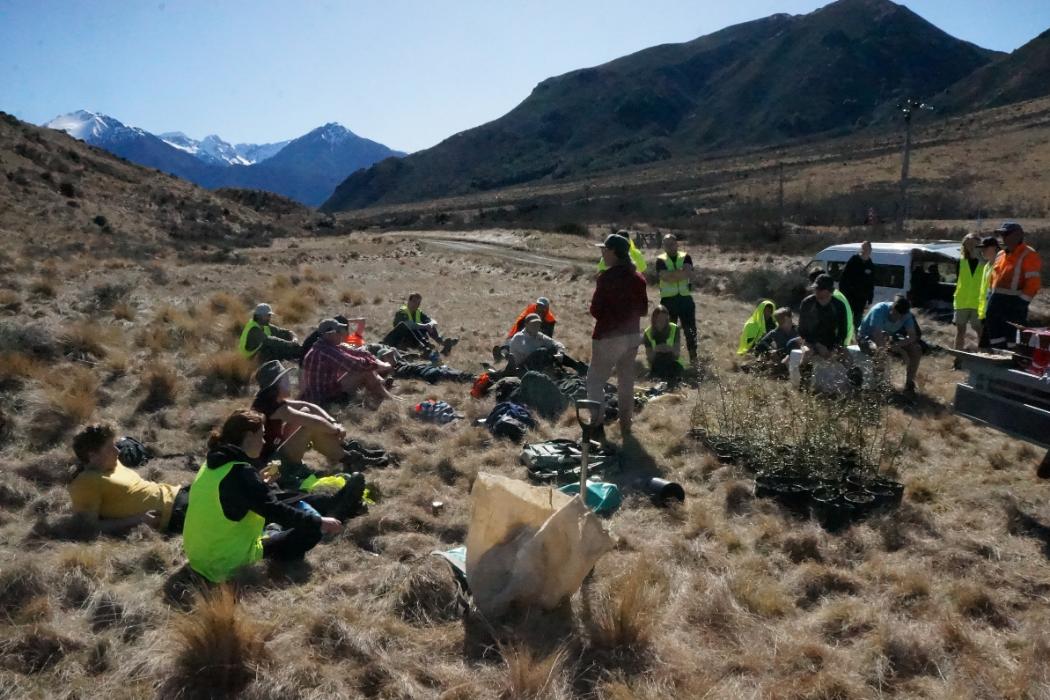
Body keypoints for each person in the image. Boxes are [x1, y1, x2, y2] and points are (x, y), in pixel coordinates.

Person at [182, 410, 343, 583]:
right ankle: (327, 508)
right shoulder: (241, 473)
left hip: (198, 557)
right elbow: (275, 510)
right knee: (310, 530)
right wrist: (319, 522)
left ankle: (329, 502)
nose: (264, 442)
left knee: (275, 499)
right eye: (262, 436)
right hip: (225, 563)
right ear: (249, 436)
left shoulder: (212, 463)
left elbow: (239, 496)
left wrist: (259, 481)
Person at [251, 360, 387, 473]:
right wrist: (336, 431)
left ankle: (348, 452)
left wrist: (332, 422)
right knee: (311, 426)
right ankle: (351, 458)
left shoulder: (271, 399)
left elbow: (309, 406)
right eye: (285, 380)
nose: (290, 382)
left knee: (308, 413)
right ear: (275, 386)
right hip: (271, 465)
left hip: (275, 449)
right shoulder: (271, 407)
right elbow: (311, 421)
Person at [68, 424, 188, 535]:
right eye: (110, 448)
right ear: (92, 455)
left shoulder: (112, 463)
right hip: (172, 514)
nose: (118, 451)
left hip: (178, 493)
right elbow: (89, 528)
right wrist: (138, 520)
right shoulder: (86, 482)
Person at [588, 233, 648, 439]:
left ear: (613, 252)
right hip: (631, 336)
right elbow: (643, 310)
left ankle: (596, 427)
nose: (602, 253)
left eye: (604, 249)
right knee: (626, 382)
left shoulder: (606, 278)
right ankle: (626, 426)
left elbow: (595, 310)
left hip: (607, 337)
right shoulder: (639, 278)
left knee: (595, 381)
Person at [300, 318, 396, 407]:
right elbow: (355, 364)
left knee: (365, 369)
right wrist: (380, 365)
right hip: (324, 399)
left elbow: (357, 352)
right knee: (365, 371)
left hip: (321, 393)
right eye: (338, 331)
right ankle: (390, 400)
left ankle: (383, 396)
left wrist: (371, 359)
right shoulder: (327, 352)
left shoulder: (323, 346)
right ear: (329, 334)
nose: (342, 334)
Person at [986, 221, 1042, 349]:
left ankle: (1013, 360)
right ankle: (998, 356)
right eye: (1001, 235)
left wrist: (1021, 303)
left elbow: (1033, 283)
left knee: (1013, 337)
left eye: (1006, 234)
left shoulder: (1029, 254)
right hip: (995, 301)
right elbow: (993, 279)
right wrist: (989, 298)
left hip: (1014, 303)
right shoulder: (1000, 254)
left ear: (1017, 236)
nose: (1003, 238)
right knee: (995, 334)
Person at [858, 296, 921, 395]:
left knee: (916, 349)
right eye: (895, 314)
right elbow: (877, 335)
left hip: (887, 337)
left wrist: (898, 345)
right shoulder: (879, 310)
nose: (897, 319)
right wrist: (900, 351)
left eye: (901, 317)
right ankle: (878, 386)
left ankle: (909, 384)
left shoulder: (907, 315)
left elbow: (912, 336)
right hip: (867, 337)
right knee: (879, 352)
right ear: (892, 308)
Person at [655, 234, 699, 365]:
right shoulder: (660, 260)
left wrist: (673, 274)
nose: (669, 246)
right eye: (666, 244)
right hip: (668, 301)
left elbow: (689, 273)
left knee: (690, 330)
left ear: (677, 244)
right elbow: (665, 277)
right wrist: (681, 273)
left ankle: (694, 358)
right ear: (663, 245)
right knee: (668, 332)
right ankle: (669, 360)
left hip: (685, 300)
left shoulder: (686, 256)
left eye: (672, 243)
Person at [797, 274, 850, 373]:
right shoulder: (807, 303)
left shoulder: (839, 305)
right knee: (807, 354)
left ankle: (854, 386)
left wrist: (835, 347)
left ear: (829, 291)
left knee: (848, 359)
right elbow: (802, 330)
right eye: (816, 289)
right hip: (811, 341)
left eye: (820, 289)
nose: (816, 291)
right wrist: (817, 344)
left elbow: (843, 331)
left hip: (831, 341)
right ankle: (804, 385)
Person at [506, 313, 587, 374]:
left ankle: (579, 367)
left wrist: (560, 352)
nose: (536, 326)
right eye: (533, 324)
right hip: (521, 369)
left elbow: (556, 343)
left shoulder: (538, 335)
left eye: (538, 324)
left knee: (552, 349)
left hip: (536, 365)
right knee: (543, 351)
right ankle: (557, 372)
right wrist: (550, 353)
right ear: (526, 324)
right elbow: (530, 352)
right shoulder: (519, 337)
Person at [381, 293, 458, 355]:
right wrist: (425, 326)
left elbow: (433, 321)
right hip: (404, 339)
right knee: (416, 328)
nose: (416, 305)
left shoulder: (418, 312)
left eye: (418, 303)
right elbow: (409, 325)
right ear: (409, 301)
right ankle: (428, 347)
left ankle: (442, 343)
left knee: (428, 325)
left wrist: (430, 325)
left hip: (418, 338)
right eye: (414, 301)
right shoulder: (402, 312)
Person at [493, 297, 557, 361]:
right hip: (523, 334)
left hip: (537, 339)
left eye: (543, 308)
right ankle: (502, 355)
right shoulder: (529, 313)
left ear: (547, 309)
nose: (540, 310)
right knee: (512, 342)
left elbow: (548, 335)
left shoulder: (550, 320)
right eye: (538, 307)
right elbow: (520, 327)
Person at [953, 233, 986, 351]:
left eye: (974, 244)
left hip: (978, 302)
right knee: (960, 331)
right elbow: (958, 280)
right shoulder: (960, 261)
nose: (971, 246)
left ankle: (982, 356)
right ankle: (957, 359)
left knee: (979, 330)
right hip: (962, 301)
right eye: (968, 244)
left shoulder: (984, 262)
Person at [238, 303, 302, 363]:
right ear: (259, 316)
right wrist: (288, 344)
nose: (269, 318)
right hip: (249, 361)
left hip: (258, 357)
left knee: (283, 341)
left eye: (270, 316)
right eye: (267, 316)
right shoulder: (254, 329)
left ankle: (301, 356)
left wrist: (294, 339)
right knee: (271, 348)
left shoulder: (265, 326)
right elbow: (270, 340)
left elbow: (284, 332)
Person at [643, 305, 685, 383]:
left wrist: (669, 349)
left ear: (667, 319)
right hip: (656, 364)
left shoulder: (675, 329)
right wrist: (656, 350)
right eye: (659, 319)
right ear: (654, 319)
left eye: (664, 319)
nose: (661, 322)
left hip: (672, 362)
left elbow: (677, 354)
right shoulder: (647, 333)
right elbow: (650, 358)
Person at [838, 241, 875, 327]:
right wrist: (843, 294)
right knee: (847, 318)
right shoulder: (854, 260)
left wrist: (870, 299)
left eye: (867, 249)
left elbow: (871, 283)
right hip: (849, 296)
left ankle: (855, 337)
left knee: (858, 320)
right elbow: (844, 278)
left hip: (861, 299)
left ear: (870, 250)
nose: (865, 250)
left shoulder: (870, 265)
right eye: (863, 248)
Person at [976, 236, 1001, 348]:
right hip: (985, 312)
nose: (982, 250)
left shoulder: (1000, 264)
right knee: (984, 347)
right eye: (982, 248)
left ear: (994, 248)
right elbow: (984, 292)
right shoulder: (986, 266)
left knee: (993, 347)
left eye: (985, 248)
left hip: (996, 312)